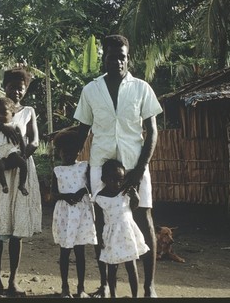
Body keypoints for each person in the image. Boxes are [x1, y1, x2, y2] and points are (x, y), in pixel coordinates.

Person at [74, 34, 163, 298]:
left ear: (128, 58)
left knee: (143, 218)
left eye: (122, 56)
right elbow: (82, 131)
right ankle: (104, 284)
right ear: (104, 58)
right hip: (101, 167)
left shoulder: (142, 89)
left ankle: (149, 287)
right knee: (101, 222)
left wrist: (139, 171)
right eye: (112, 57)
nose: (117, 61)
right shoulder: (91, 90)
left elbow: (152, 132)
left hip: (135, 165)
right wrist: (69, 163)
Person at [0, 68, 42, 297]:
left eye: (21, 87)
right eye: (13, 86)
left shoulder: (29, 111)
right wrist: (2, 126)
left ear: (26, 89)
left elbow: (35, 141)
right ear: (5, 86)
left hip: (19, 167)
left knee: (15, 227)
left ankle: (12, 280)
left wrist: (20, 158)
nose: (17, 91)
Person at [50, 129, 97, 298]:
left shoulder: (84, 166)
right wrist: (65, 196)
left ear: (78, 151)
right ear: (59, 152)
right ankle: (64, 287)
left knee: (80, 252)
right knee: (65, 252)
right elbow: (53, 194)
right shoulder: (57, 171)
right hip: (65, 214)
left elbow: (91, 187)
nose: (68, 155)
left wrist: (82, 192)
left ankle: (81, 288)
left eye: (72, 151)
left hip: (82, 214)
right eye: (64, 151)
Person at [94, 159, 148, 298]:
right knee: (112, 267)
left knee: (131, 266)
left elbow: (133, 207)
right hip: (111, 236)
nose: (117, 183)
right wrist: (99, 238)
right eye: (113, 180)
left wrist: (135, 197)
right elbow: (99, 221)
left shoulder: (125, 192)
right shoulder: (100, 198)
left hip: (127, 233)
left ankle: (135, 296)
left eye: (121, 180)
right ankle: (113, 295)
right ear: (104, 179)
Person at [0, 97, 28, 195]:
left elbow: (22, 141)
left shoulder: (14, 126)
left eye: (4, 114)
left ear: (12, 114)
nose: (0, 116)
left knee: (23, 164)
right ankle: (4, 185)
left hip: (10, 151)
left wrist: (23, 153)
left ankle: (21, 185)